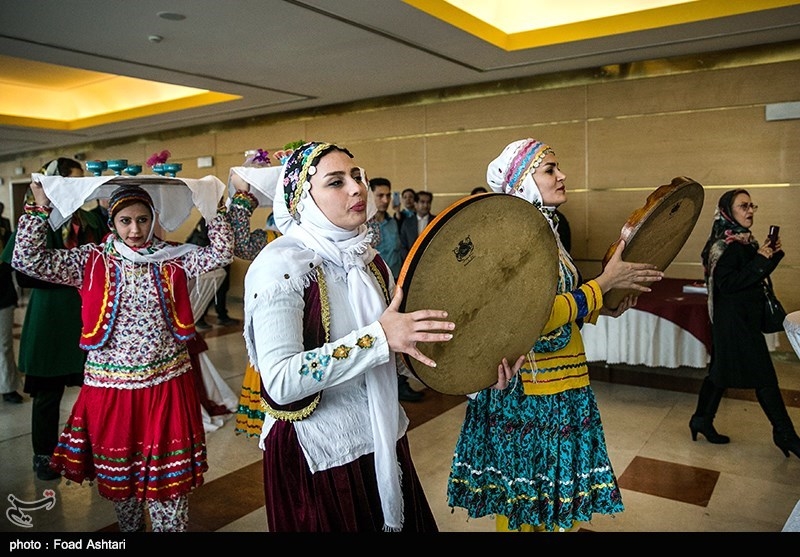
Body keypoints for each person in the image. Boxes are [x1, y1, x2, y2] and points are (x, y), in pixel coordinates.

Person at [446, 138, 664, 532]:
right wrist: (601, 285)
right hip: (529, 388)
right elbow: (532, 315)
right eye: (549, 169)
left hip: (560, 381)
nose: (562, 175)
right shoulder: (512, 236)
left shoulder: (545, 229)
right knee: (526, 506)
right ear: (524, 181)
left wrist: (605, 305)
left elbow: (561, 301)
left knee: (551, 501)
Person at [242, 141, 459, 532]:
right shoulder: (281, 267)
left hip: (381, 435)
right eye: (336, 182)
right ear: (302, 200)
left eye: (356, 176)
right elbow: (280, 381)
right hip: (320, 453)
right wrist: (377, 338)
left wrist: (470, 375)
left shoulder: (369, 260)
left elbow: (402, 351)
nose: (357, 188)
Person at [11, 181, 233, 531]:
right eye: (125, 220)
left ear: (153, 219)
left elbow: (220, 253)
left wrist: (214, 207)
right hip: (110, 387)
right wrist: (38, 209)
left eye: (143, 220)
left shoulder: (171, 257)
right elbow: (27, 260)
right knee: (121, 485)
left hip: (166, 384)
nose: (135, 230)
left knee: (168, 486)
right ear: (112, 222)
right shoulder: (91, 260)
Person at [1, 157, 108, 480]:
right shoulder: (35, 221)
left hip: (88, 312)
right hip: (49, 316)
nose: (77, 188)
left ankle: (93, 449)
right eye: (71, 181)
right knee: (48, 393)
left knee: (95, 389)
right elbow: (20, 269)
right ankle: (43, 454)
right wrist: (73, 273)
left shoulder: (90, 218)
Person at [689, 189, 799, 458]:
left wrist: (770, 257)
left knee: (719, 373)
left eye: (752, 205)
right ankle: (786, 435)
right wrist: (761, 259)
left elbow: (751, 278)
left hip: (743, 319)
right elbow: (728, 285)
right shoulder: (722, 246)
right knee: (765, 377)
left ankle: (701, 419)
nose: (750, 210)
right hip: (733, 323)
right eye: (743, 206)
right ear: (728, 210)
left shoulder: (745, 241)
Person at [226, 169, 281, 439]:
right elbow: (239, 243)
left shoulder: (324, 241)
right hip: (272, 325)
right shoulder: (270, 240)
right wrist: (243, 196)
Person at [367, 177, 425, 402]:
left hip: (396, 289)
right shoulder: (367, 226)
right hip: (375, 291)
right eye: (380, 195)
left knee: (402, 337)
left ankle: (400, 383)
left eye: (387, 195)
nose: (385, 200)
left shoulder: (393, 222)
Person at [186, 218, 239, 329]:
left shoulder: (216, 215)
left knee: (221, 289)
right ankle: (202, 317)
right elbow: (208, 238)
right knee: (210, 288)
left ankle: (222, 315)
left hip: (218, 260)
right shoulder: (210, 216)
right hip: (211, 261)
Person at [0, 259, 21, 403]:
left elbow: (12, 264)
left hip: (3, 299)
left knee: (3, 345)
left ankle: (8, 388)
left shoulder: (5, 239)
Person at [399, 190, 435, 261]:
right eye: (422, 202)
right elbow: (402, 245)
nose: (425, 205)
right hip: (411, 263)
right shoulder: (407, 223)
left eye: (428, 202)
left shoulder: (436, 221)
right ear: (415, 204)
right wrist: (409, 261)